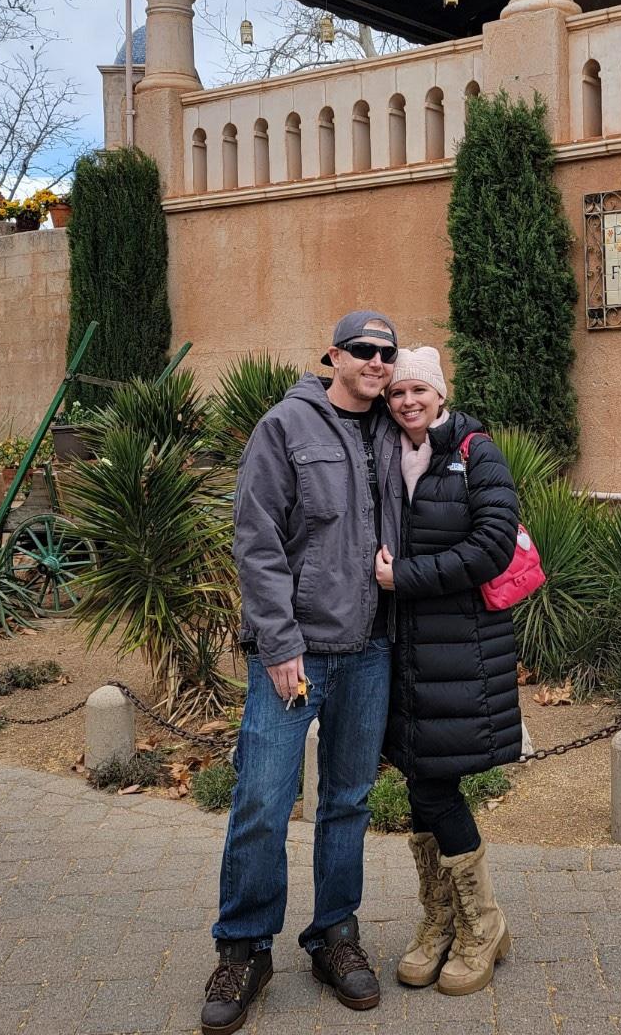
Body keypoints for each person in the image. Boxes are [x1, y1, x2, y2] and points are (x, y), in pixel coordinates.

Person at [202, 312, 403, 1035]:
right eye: (363, 350)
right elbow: (256, 540)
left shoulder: (396, 428)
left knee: (348, 800)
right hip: (296, 653)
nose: (376, 362)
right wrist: (279, 643)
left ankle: (333, 937)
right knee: (262, 797)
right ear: (333, 356)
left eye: (387, 352)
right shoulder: (285, 427)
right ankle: (244, 948)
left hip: (372, 649)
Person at [375, 347, 521, 998]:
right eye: (397, 392)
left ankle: (480, 924)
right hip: (406, 654)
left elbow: (493, 545)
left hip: (460, 650)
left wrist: (404, 577)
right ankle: (442, 920)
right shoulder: (386, 453)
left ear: (440, 394)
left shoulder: (475, 452)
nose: (408, 401)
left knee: (435, 788)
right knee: (420, 783)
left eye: (419, 390)